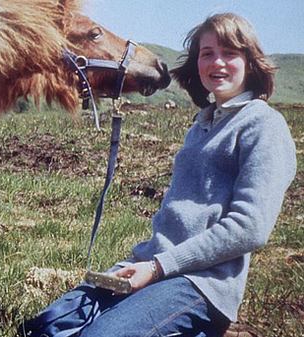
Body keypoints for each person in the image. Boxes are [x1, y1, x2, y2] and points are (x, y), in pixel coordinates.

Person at [18, 13, 296, 337]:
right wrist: (145, 266)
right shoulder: (202, 124)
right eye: (207, 53)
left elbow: (251, 228)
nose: (217, 63)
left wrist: (158, 268)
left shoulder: (263, 125)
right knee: (42, 328)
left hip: (201, 285)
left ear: (250, 62)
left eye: (230, 53)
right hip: (152, 267)